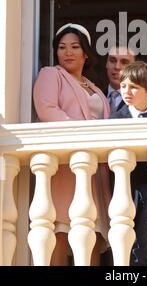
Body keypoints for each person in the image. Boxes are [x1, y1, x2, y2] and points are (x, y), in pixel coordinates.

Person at [33, 23, 110, 266]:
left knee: (93, 234)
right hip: (67, 168)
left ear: (86, 53)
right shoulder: (51, 74)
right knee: (62, 230)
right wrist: (80, 134)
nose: (67, 52)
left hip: (96, 172)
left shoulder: (95, 87)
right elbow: (46, 110)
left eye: (75, 47)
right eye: (62, 47)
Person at [110, 61, 147, 266]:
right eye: (123, 86)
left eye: (133, 87)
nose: (126, 91)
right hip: (126, 189)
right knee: (128, 242)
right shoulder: (115, 119)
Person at [106, 44, 136, 112]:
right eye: (112, 61)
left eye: (124, 62)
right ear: (106, 63)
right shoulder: (96, 96)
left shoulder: (143, 101)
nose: (117, 67)